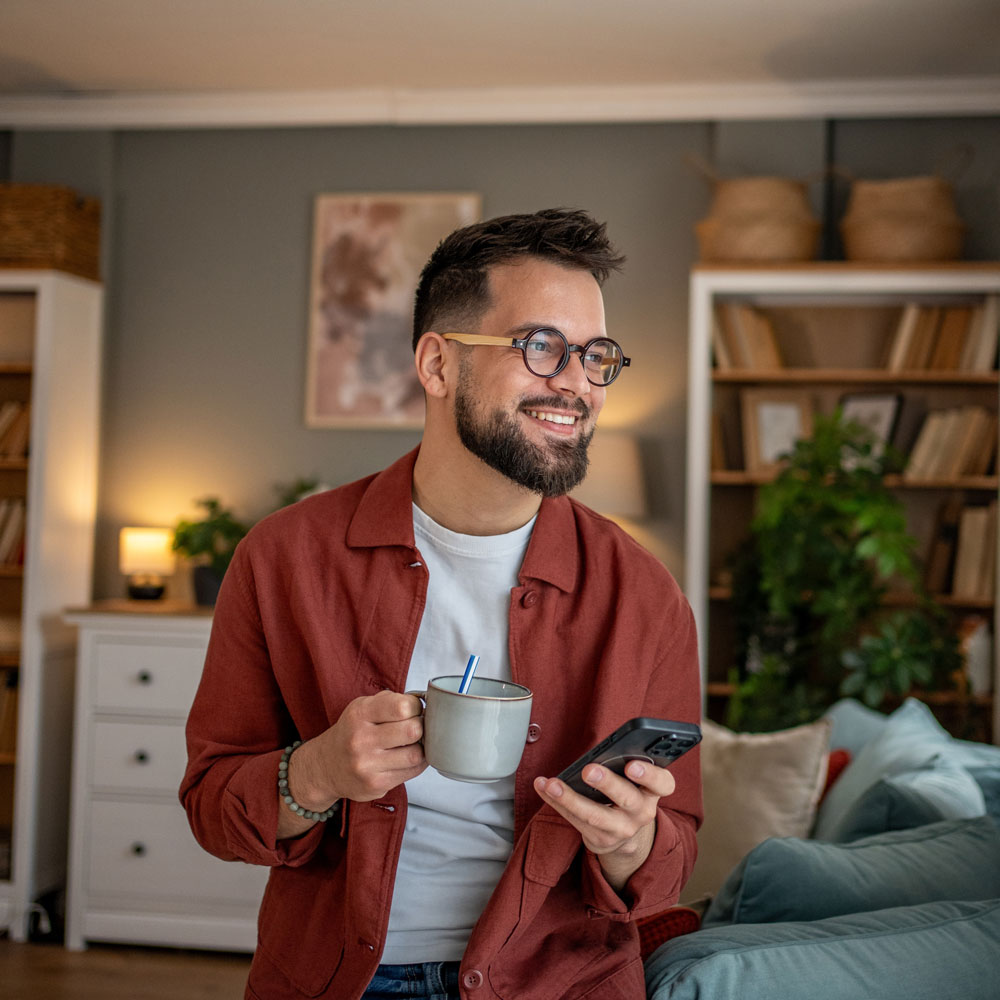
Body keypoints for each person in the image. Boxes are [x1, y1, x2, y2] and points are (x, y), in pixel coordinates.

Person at [180, 207, 702, 1000]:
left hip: (556, 985)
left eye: (596, 357)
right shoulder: (285, 559)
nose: (576, 384)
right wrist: (315, 772)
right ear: (437, 364)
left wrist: (629, 841)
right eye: (541, 348)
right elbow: (214, 810)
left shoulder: (644, 596)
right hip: (340, 979)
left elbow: (674, 857)